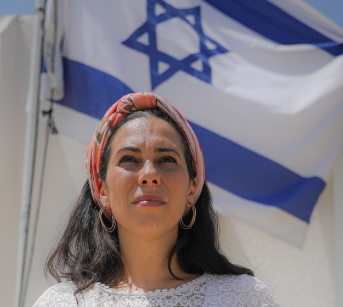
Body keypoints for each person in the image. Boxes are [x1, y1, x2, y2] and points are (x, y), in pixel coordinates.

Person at [33, 92, 279, 306]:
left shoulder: (244, 299)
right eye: (129, 159)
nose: (149, 175)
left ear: (192, 188)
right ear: (102, 188)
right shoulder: (62, 303)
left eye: (166, 160)